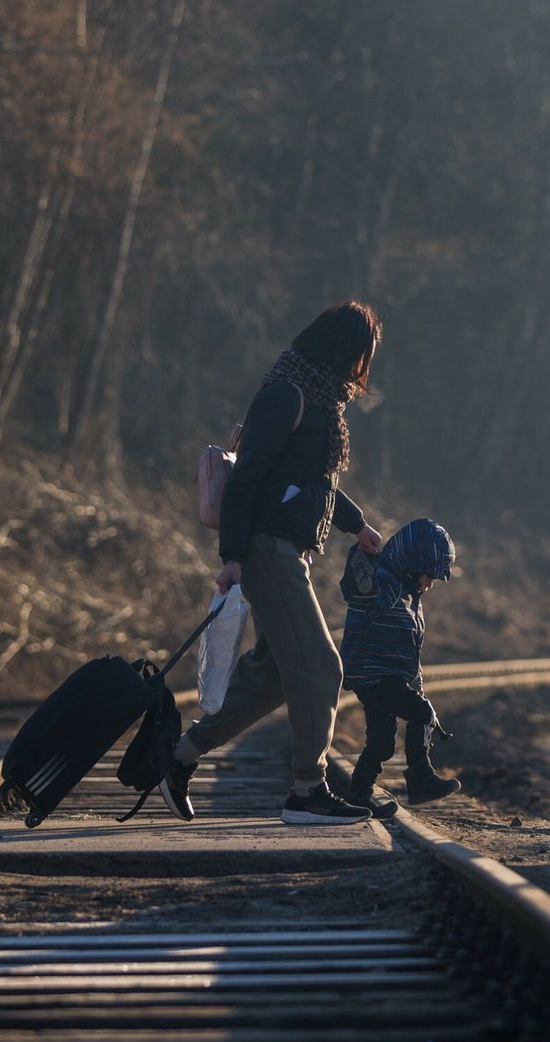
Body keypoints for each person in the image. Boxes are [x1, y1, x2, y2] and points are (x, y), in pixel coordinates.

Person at [161, 300, 386, 825]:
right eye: (362, 356)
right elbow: (245, 480)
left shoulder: (316, 398)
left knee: (274, 678)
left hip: (286, 550)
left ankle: (178, 757)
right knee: (323, 666)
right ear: (344, 350)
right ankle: (307, 792)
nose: (362, 369)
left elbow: (315, 484)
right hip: (267, 550)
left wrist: (359, 526)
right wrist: (233, 557)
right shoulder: (286, 395)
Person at [339, 517, 460, 817]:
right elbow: (361, 590)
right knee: (422, 712)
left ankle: (358, 795)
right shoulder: (384, 582)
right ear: (413, 563)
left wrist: (414, 681)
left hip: (385, 675)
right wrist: (361, 557)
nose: (431, 583)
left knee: (381, 743)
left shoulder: (408, 595)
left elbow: (407, 646)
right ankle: (420, 778)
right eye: (430, 575)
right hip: (372, 673)